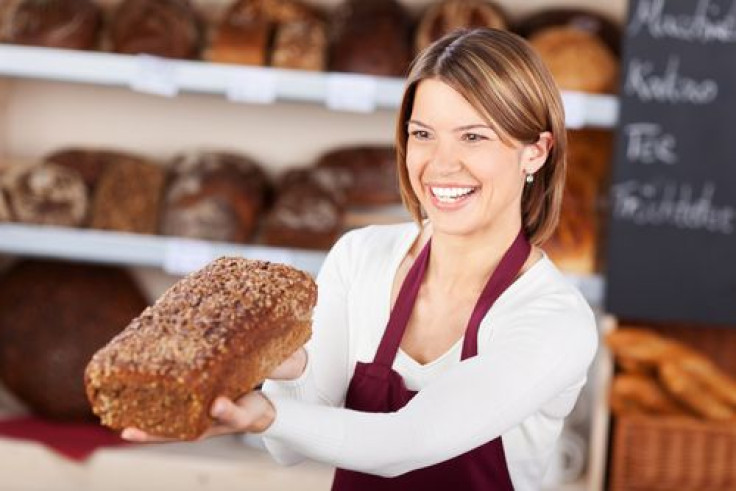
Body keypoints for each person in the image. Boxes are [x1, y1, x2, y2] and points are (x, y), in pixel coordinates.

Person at [123, 28, 598, 490]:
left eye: (473, 137)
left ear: (535, 153)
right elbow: (288, 450)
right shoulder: (362, 256)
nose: (441, 163)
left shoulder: (555, 317)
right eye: (423, 134)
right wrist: (275, 360)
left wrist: (265, 414)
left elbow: (407, 442)